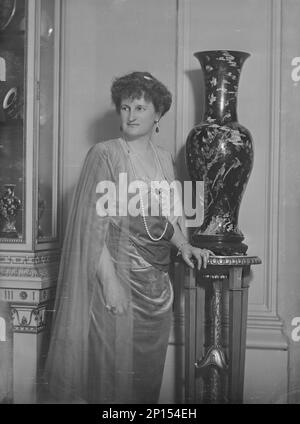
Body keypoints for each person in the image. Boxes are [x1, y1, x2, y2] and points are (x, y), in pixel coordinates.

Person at [43, 71, 213, 404]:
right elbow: (94, 229)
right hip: (118, 282)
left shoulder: (165, 159)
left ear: (158, 114)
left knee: (144, 385)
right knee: (111, 383)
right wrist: (111, 285)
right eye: (124, 107)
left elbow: (167, 218)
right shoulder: (105, 154)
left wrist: (185, 245)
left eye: (139, 107)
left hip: (157, 290)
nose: (131, 115)